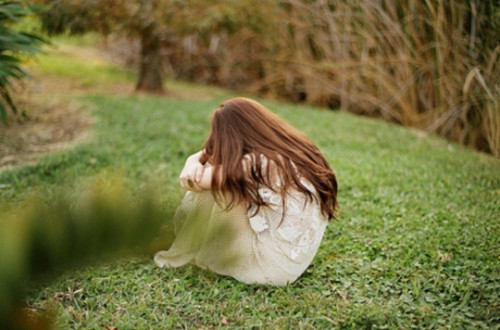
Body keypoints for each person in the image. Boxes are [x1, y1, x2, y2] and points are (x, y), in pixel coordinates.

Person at [154, 97, 337, 286]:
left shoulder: (255, 164)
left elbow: (193, 182)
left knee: (216, 187)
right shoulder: (294, 150)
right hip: (294, 264)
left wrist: (192, 163)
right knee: (224, 176)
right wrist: (195, 160)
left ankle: (193, 243)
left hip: (268, 270)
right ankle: (197, 240)